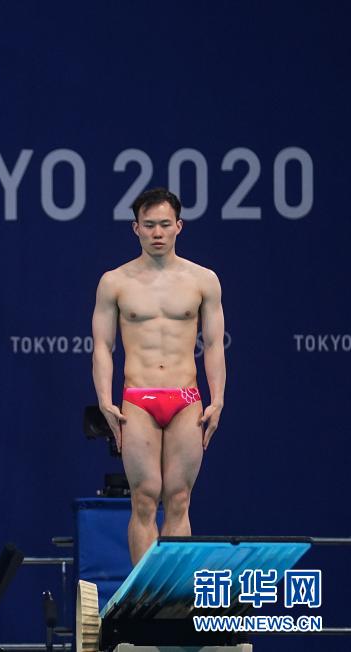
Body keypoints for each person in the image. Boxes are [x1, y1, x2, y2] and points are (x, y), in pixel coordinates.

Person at [92, 187, 226, 564]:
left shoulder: (203, 280)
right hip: (137, 398)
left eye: (164, 225)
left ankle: (173, 603)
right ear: (135, 228)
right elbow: (103, 346)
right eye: (149, 225)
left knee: (179, 498)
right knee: (145, 496)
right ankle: (143, 603)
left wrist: (217, 399)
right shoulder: (114, 282)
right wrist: (104, 398)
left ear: (178, 227)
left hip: (186, 398)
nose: (157, 233)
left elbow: (214, 344)